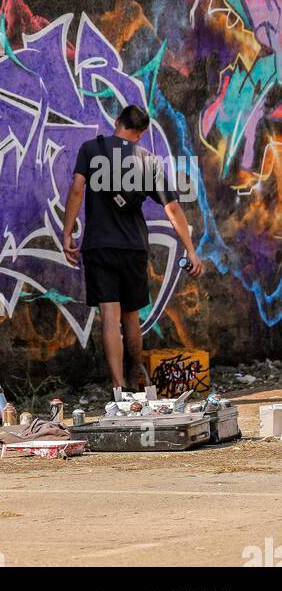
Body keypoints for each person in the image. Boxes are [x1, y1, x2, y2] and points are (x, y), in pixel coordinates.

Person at [62, 104, 205, 391]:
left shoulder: (91, 149)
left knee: (109, 317)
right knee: (132, 316)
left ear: (117, 122)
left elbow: (77, 190)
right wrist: (190, 250)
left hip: (99, 246)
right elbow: (172, 208)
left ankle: (117, 387)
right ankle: (134, 380)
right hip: (133, 247)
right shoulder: (148, 160)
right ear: (141, 134)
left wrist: (67, 233)